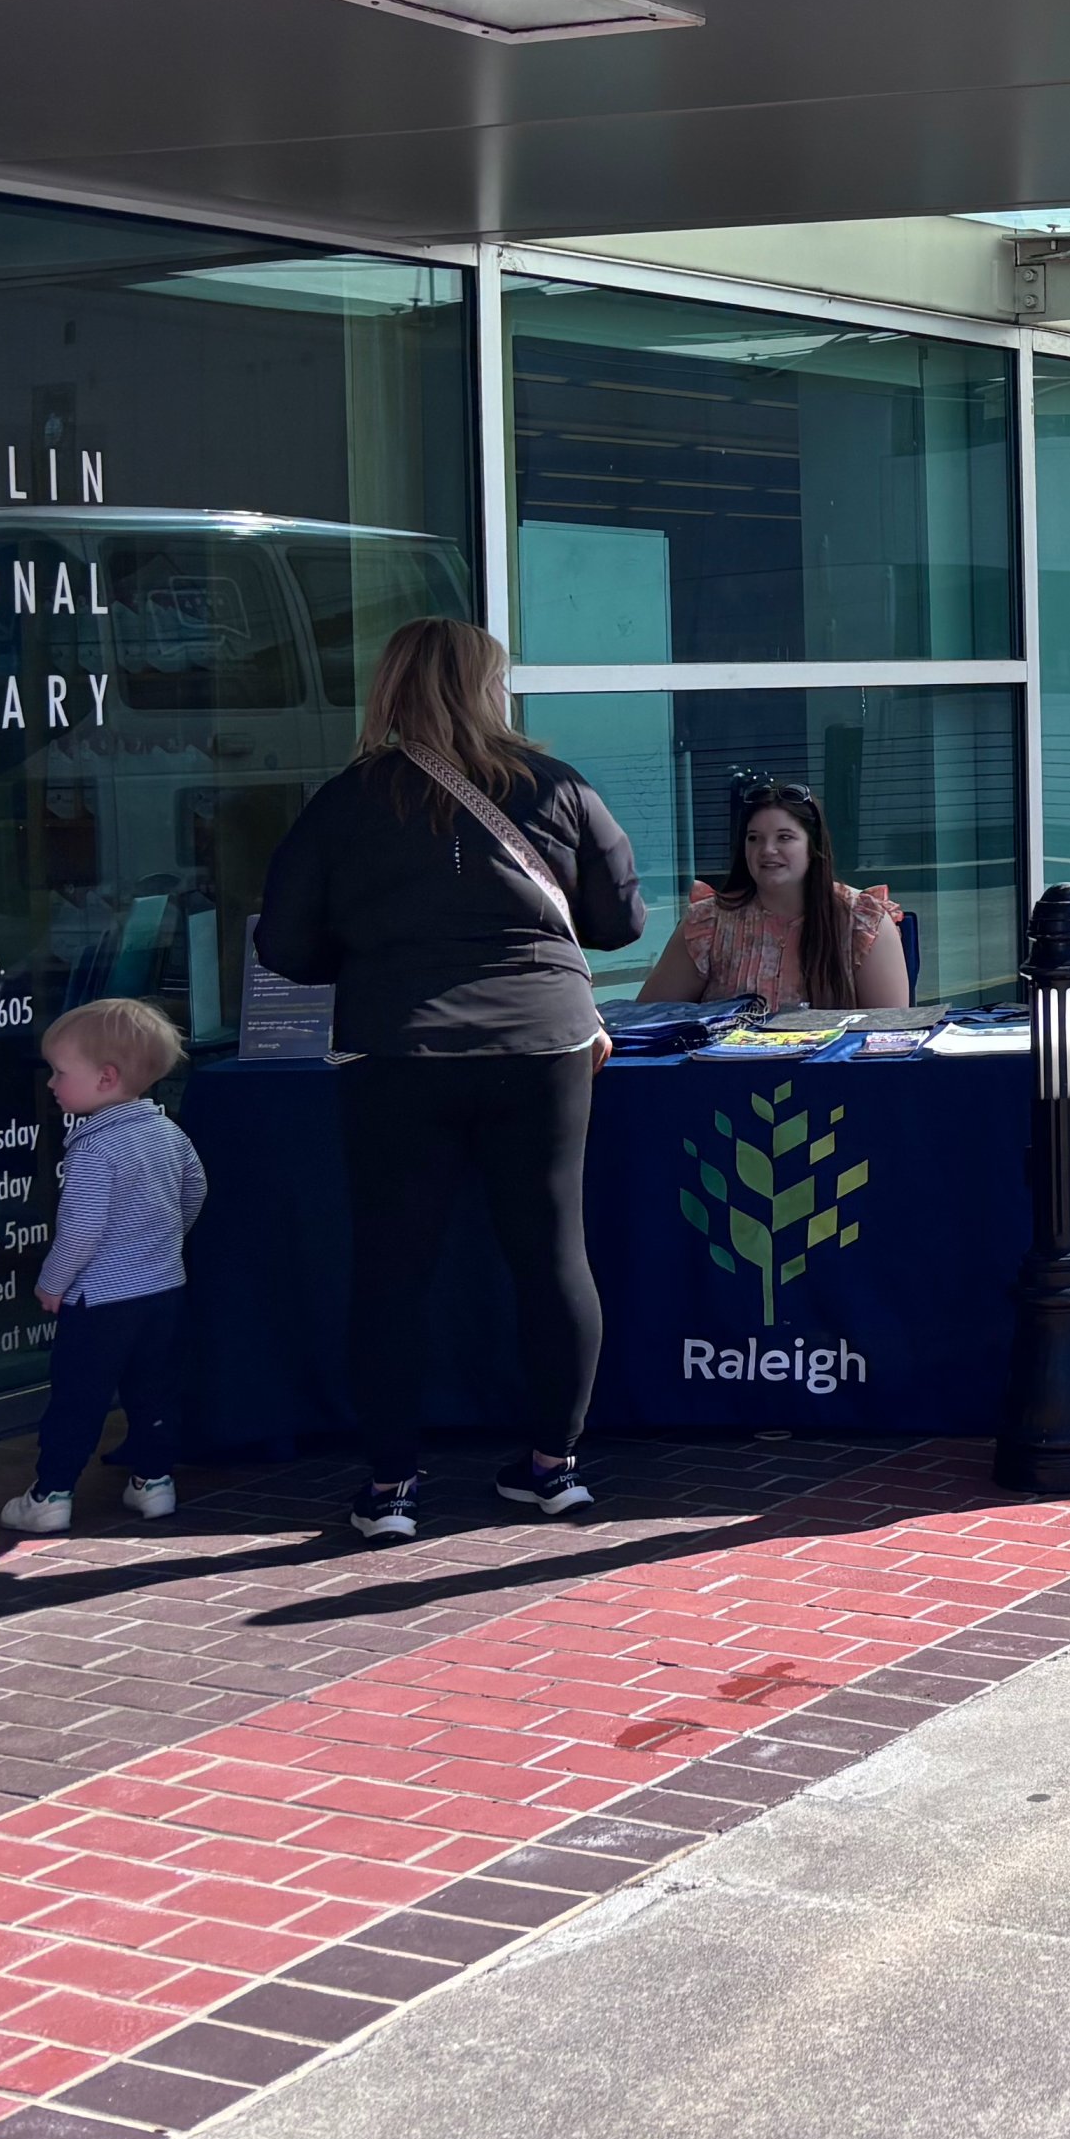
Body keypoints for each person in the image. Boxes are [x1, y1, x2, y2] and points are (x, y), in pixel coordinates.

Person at [255, 616, 643, 1543]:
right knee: (552, 1256)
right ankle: (554, 1468)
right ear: (486, 686)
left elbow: (283, 944)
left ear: (388, 688)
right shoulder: (558, 786)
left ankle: (391, 1488)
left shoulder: (346, 801)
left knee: (392, 1270)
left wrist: (375, 957)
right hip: (543, 1045)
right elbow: (621, 920)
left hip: (399, 1052)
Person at [0, 997, 207, 1537]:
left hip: (100, 1303)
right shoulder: (168, 1133)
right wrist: (167, 1240)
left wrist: (52, 1283)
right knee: (154, 1390)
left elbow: (80, 1231)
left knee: (79, 1396)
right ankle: (154, 1483)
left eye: (60, 1073)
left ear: (105, 1078)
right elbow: (196, 1188)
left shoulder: (95, 1151)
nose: (51, 1084)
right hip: (163, 1291)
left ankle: (51, 1493)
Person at [634, 779, 910, 1013]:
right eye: (754, 838)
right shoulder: (709, 922)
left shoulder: (863, 921)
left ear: (813, 847)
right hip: (730, 1074)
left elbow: (890, 1035)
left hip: (830, 1075)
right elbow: (650, 1019)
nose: (767, 850)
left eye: (784, 837)